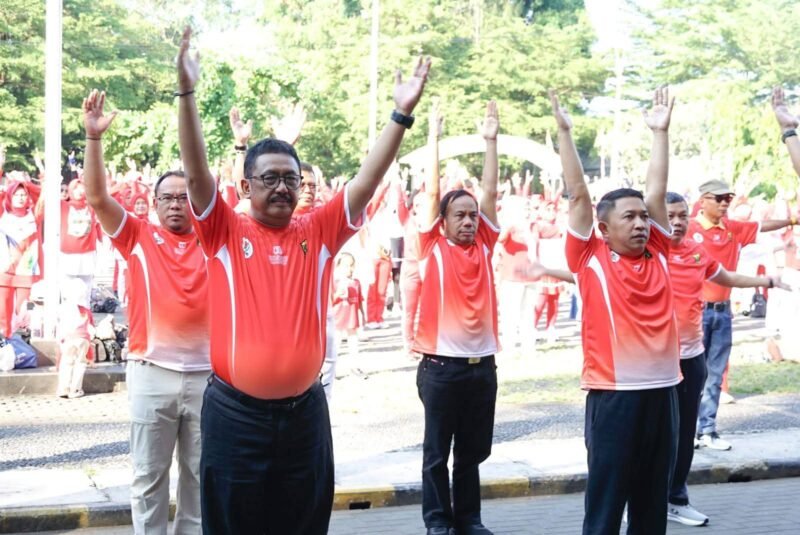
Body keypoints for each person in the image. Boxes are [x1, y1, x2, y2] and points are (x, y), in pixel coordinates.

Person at [176, 27, 430, 534]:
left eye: (290, 178)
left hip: (304, 417)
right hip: (235, 417)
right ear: (245, 185)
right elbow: (197, 171)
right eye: (268, 178)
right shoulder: (224, 230)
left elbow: (366, 180)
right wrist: (187, 94)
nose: (281, 187)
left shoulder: (319, 229)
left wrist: (400, 115)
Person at [82, 89, 210, 535]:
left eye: (184, 197)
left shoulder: (216, 240)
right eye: (167, 198)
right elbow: (97, 197)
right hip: (151, 374)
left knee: (200, 478)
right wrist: (93, 138)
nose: (176, 204)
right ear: (154, 205)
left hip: (208, 377)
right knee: (148, 478)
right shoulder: (137, 237)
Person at [555, 87, 680, 535]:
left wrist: (660, 133)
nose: (642, 223)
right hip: (614, 398)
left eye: (644, 217)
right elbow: (578, 196)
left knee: (651, 507)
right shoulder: (589, 257)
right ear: (604, 229)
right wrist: (565, 133)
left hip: (664, 393)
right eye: (630, 217)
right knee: (606, 508)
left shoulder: (660, 250)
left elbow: (657, 190)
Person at [665, 191, 789, 526]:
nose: (677, 223)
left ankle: (676, 498)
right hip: (655, 363)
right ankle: (641, 500)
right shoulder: (648, 252)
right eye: (669, 216)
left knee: (684, 435)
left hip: (691, 357)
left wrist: (768, 280)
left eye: (682, 216)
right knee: (653, 435)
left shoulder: (694, 251)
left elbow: (726, 276)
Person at [413, 101, 500, 535]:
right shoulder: (431, 247)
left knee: (472, 453)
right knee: (436, 453)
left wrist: (490, 142)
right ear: (443, 222)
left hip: (482, 369)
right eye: (459, 216)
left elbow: (491, 192)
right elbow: (432, 193)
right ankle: (437, 521)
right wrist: (433, 136)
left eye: (472, 216)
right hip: (441, 369)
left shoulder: (484, 245)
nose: (468, 221)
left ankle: (469, 519)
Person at [688, 178, 796, 450]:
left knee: (715, 374)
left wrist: (793, 220)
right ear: (703, 200)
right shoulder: (688, 229)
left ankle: (707, 430)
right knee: (692, 374)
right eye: (719, 198)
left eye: (729, 198)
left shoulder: (732, 229)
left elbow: (761, 226)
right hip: (694, 312)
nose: (725, 203)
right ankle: (687, 431)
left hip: (722, 312)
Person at [0, 179, 43, 337]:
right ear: (9, 196)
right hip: (4, 270)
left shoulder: (34, 215)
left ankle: (24, 342)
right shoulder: (2, 214)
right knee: (2, 312)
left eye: (24, 194)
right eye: (16, 194)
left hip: (26, 271)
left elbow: (43, 194)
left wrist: (26, 183)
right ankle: (4, 341)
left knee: (25, 310)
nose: (20, 198)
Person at [55, 277, 95, 399]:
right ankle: (75, 390)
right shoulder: (86, 310)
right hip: (83, 338)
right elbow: (91, 328)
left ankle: (64, 389)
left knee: (66, 362)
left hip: (68, 338)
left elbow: (60, 325)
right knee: (80, 363)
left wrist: (60, 339)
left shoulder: (62, 309)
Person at [332, 252, 365, 358]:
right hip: (338, 316)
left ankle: (354, 359)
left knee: (353, 337)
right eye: (346, 266)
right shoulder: (335, 282)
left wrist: (362, 314)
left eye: (351, 265)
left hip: (352, 316)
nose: (349, 269)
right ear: (338, 266)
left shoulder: (356, 282)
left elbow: (359, 300)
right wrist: (337, 294)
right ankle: (332, 359)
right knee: (336, 338)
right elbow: (329, 301)